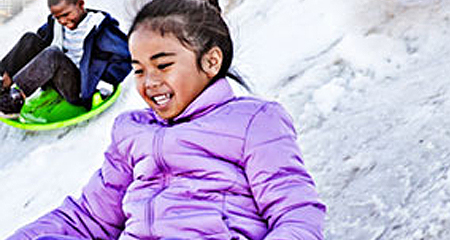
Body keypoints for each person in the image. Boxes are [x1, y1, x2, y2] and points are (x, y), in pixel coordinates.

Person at [6, 0, 326, 239]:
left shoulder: (254, 122)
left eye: (163, 65)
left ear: (211, 61)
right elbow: (89, 217)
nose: (149, 82)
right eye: (139, 70)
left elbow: (295, 212)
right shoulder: (133, 131)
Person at [0, 0, 131, 117]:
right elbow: (39, 43)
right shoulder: (56, 24)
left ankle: (16, 98)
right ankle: (3, 81)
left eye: (66, 15)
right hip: (56, 76)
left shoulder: (99, 28)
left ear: (80, 4)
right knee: (30, 39)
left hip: (79, 87)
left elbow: (126, 55)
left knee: (53, 54)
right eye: (57, 17)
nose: (62, 21)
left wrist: (102, 80)